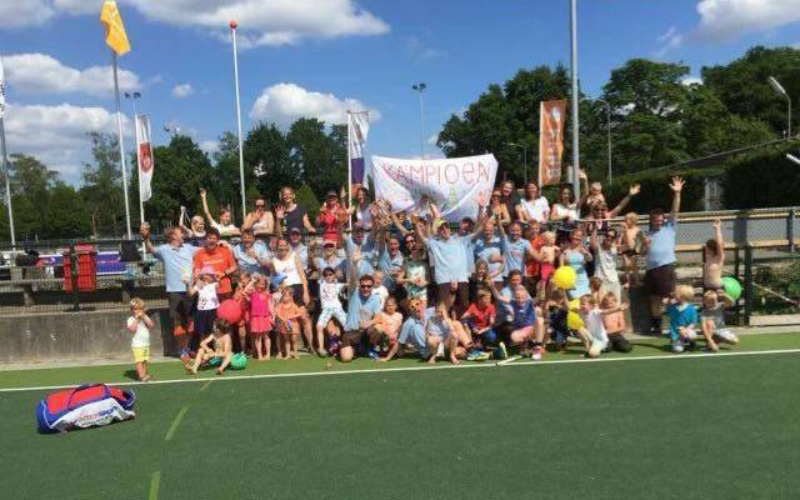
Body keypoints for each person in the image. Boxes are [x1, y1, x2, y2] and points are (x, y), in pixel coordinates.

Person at [140, 224, 198, 361]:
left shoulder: (188, 248)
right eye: (180, 232)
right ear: (173, 236)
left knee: (191, 322)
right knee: (178, 322)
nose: (183, 234)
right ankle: (182, 350)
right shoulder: (164, 249)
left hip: (190, 290)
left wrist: (222, 243)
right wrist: (146, 238)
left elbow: (206, 248)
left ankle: (189, 347)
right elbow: (151, 249)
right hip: (174, 292)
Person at [416, 214, 486, 317]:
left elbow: (478, 232)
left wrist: (486, 216)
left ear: (450, 229)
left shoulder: (461, 240)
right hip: (443, 281)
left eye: (447, 227)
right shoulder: (434, 243)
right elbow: (422, 237)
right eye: (442, 228)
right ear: (438, 232)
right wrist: (418, 226)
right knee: (444, 309)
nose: (445, 230)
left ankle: (460, 326)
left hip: (461, 280)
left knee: (463, 308)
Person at [641, 177, 685, 336]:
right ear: (651, 221)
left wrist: (677, 193)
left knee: (671, 297)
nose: (659, 222)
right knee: (654, 299)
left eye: (661, 220)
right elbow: (642, 253)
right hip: (651, 270)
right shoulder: (647, 234)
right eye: (656, 220)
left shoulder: (669, 227)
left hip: (666, 267)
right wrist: (645, 246)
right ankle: (656, 326)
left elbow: (675, 211)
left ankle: (678, 324)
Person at [271, 238, 316, 354]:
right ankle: (288, 348)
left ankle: (311, 346)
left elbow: (302, 275)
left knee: (304, 317)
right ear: (277, 247)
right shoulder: (274, 261)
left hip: (298, 288)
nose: (282, 247)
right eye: (280, 245)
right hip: (284, 291)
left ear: (288, 246)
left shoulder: (294, 256)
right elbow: (274, 279)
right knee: (284, 319)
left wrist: (305, 292)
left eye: (284, 245)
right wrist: (280, 288)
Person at [490, 281, 544, 360]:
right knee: (514, 338)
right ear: (514, 297)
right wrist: (492, 287)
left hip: (531, 329)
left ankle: (537, 347)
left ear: (526, 297)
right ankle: (526, 345)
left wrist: (540, 289)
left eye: (522, 297)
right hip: (520, 330)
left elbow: (539, 297)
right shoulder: (513, 302)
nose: (520, 300)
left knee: (540, 320)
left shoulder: (530, 302)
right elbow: (498, 297)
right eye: (518, 298)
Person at [340, 273, 385, 363]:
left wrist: (369, 322)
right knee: (346, 358)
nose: (366, 288)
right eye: (363, 286)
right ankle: (358, 349)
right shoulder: (353, 293)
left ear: (373, 287)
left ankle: (370, 348)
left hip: (365, 332)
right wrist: (354, 266)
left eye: (369, 286)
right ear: (359, 286)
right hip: (351, 332)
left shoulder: (376, 298)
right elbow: (352, 279)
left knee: (379, 328)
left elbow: (379, 318)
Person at [193, 227, 237, 301]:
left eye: (214, 238)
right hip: (207, 290)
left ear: (218, 240)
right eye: (209, 238)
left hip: (225, 289)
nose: (212, 240)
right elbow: (197, 271)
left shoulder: (225, 251)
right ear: (205, 239)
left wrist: (223, 273)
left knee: (225, 308)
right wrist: (200, 279)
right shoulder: (199, 253)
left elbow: (234, 267)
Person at [316, 267, 348, 357]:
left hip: (337, 308)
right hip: (326, 309)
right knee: (319, 326)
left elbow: (348, 284)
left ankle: (349, 345)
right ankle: (321, 349)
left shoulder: (338, 285)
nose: (328, 276)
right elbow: (318, 268)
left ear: (334, 275)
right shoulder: (322, 283)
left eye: (330, 274)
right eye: (326, 275)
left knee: (348, 325)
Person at [589, 225, 622, 301]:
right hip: (600, 282)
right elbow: (592, 242)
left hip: (614, 281)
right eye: (607, 235)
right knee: (600, 305)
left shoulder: (616, 248)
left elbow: (630, 246)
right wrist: (596, 228)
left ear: (614, 239)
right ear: (604, 236)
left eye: (612, 237)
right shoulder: (598, 248)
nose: (609, 238)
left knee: (616, 305)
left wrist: (626, 230)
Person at [188, 265, 220, 339]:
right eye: (211, 275)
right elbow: (191, 293)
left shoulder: (213, 284)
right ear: (205, 275)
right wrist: (189, 284)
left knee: (213, 328)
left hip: (213, 309)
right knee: (202, 330)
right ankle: (203, 344)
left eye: (212, 275)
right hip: (202, 310)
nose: (212, 276)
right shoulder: (199, 284)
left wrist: (217, 279)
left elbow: (218, 285)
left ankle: (212, 344)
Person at [560, 228, 593, 299]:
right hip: (571, 280)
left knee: (586, 298)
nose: (578, 237)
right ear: (571, 236)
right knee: (574, 298)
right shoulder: (565, 252)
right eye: (576, 235)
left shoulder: (583, 249)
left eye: (580, 236)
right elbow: (561, 269)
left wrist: (585, 253)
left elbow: (590, 259)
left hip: (582, 279)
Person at [127, 298, 154, 381]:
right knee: (139, 360)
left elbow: (151, 325)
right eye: (136, 309)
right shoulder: (131, 319)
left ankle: (144, 373)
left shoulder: (145, 317)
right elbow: (132, 329)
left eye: (140, 309)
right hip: (137, 345)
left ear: (143, 309)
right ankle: (141, 376)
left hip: (146, 344)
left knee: (144, 360)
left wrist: (144, 317)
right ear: (131, 310)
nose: (138, 311)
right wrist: (137, 319)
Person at [248, 274, 274, 360]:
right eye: (260, 283)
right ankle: (259, 355)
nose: (262, 285)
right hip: (256, 317)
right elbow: (245, 291)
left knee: (266, 336)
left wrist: (273, 315)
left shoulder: (267, 294)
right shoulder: (253, 292)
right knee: (258, 337)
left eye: (263, 284)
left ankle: (268, 354)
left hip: (265, 317)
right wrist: (252, 281)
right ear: (256, 284)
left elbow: (270, 305)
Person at [666, 285, 699, 353]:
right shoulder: (673, 307)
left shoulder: (691, 309)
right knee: (678, 350)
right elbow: (668, 312)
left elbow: (693, 322)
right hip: (676, 334)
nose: (674, 294)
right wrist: (669, 302)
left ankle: (689, 342)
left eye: (676, 293)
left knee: (691, 335)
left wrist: (686, 330)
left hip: (686, 331)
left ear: (682, 296)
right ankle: (683, 343)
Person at [473, 217, 505, 288]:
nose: (488, 232)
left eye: (491, 230)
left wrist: (497, 218)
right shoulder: (478, 243)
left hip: (497, 279)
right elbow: (476, 262)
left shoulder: (498, 241)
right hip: (482, 280)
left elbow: (504, 259)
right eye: (486, 230)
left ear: (494, 231)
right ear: (483, 231)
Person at [276, 287, 303, 359]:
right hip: (285, 324)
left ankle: (296, 353)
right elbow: (278, 313)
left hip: (293, 324)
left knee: (294, 339)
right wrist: (283, 319)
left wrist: (292, 316)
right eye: (283, 295)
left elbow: (300, 313)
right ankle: (288, 354)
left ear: (290, 297)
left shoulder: (294, 305)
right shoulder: (280, 305)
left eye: (286, 296)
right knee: (286, 340)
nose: (284, 297)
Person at [619, 212, 643, 286]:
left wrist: (638, 249)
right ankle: (627, 281)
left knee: (634, 266)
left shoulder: (637, 230)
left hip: (634, 250)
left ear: (632, 221)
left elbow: (640, 241)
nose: (624, 221)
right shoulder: (624, 230)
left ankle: (637, 280)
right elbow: (620, 239)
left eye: (626, 220)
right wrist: (620, 248)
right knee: (627, 266)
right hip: (625, 250)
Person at [703, 219, 725, 292]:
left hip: (717, 286)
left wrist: (717, 228)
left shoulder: (718, 258)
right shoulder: (709, 257)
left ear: (712, 249)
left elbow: (719, 244)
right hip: (707, 286)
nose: (706, 249)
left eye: (707, 248)